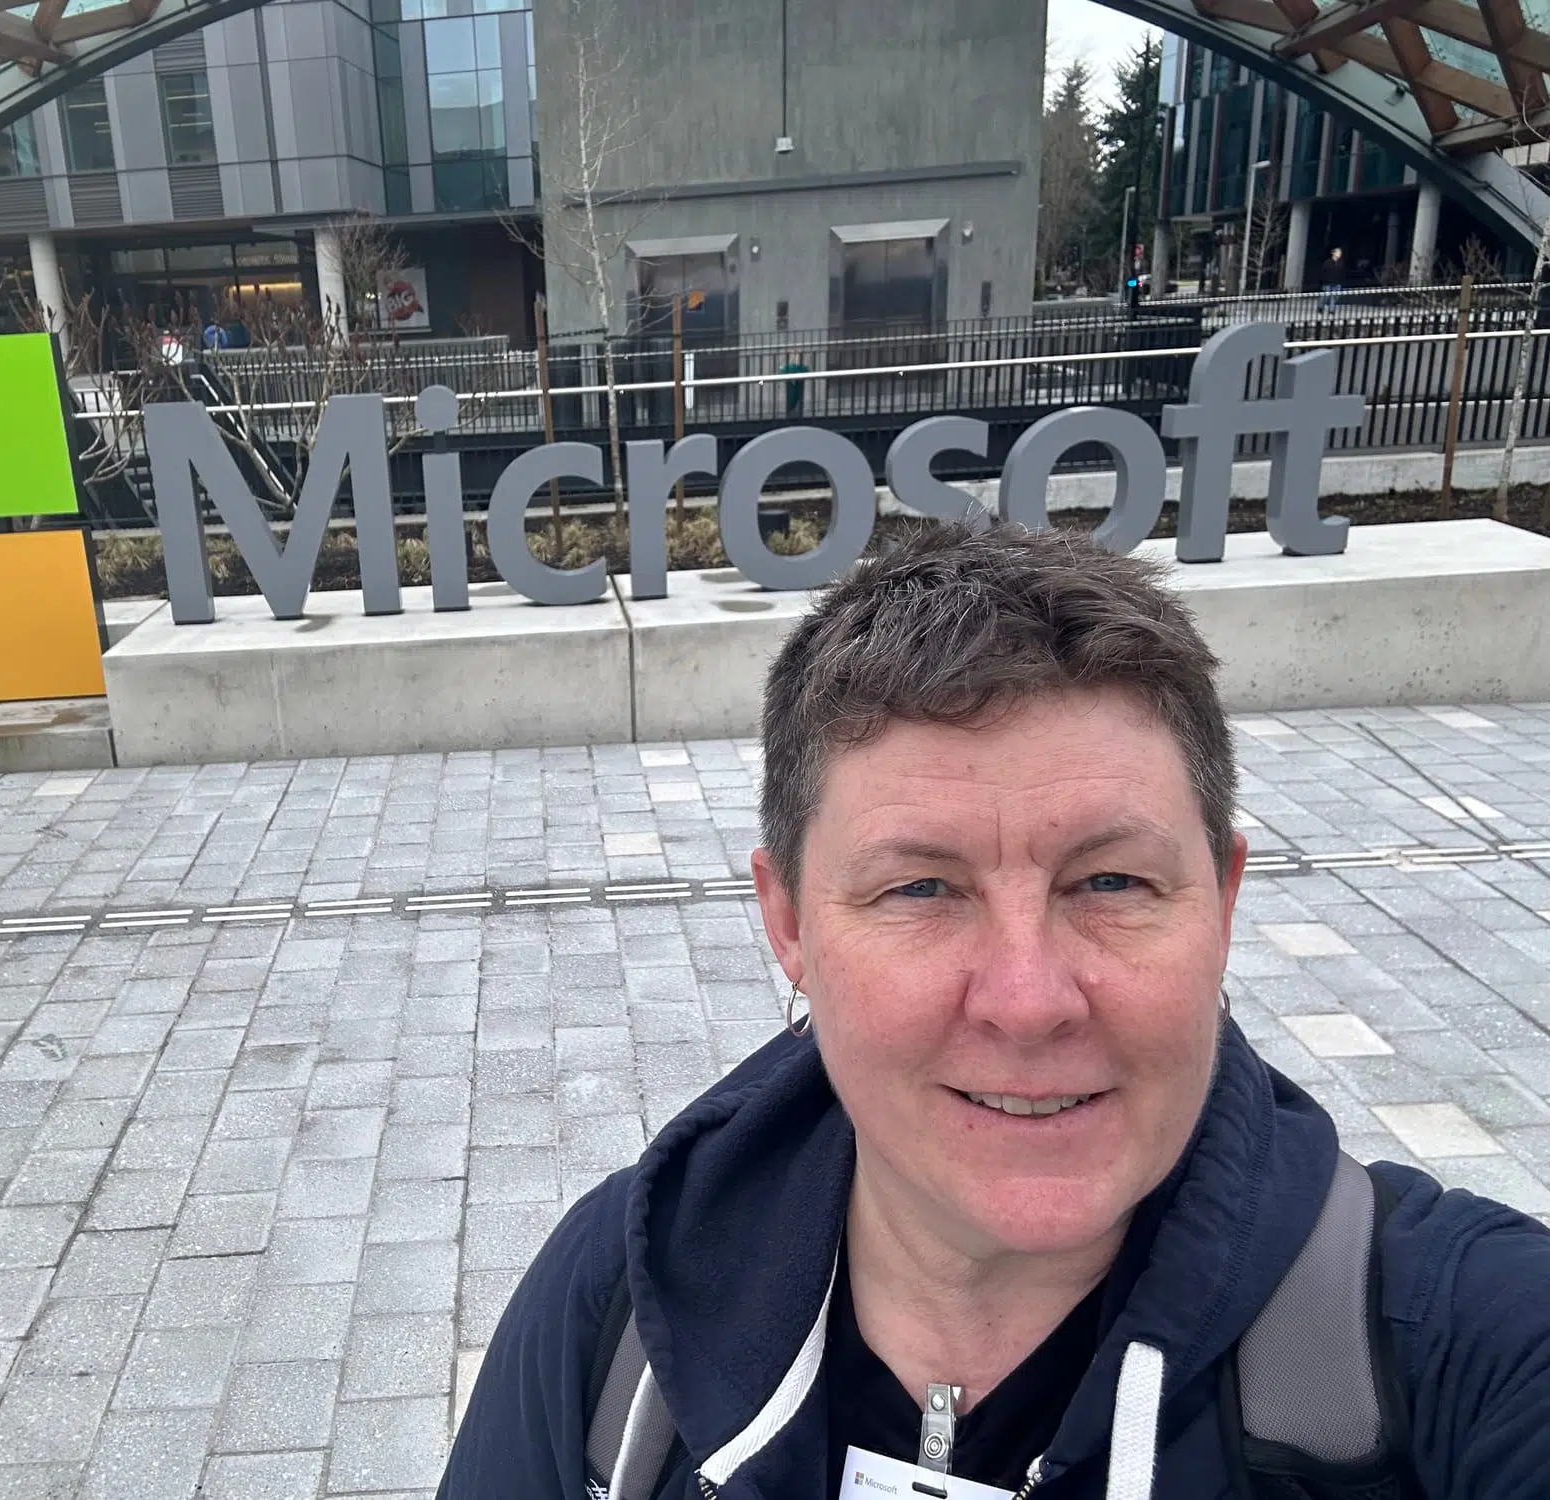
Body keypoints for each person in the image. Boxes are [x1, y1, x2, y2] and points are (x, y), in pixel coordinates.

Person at [439, 526, 1550, 1500]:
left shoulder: (1468, 1342)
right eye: (919, 889)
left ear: (1219, 901)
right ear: (788, 925)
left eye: (1110, 883)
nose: (1027, 1002)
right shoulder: (622, 1301)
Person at [1320, 246, 1347, 311]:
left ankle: (1331, 310)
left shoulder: (1341, 263)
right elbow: (1323, 272)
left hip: (1337, 282)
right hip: (1328, 282)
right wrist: (1323, 281)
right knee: (1326, 296)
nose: (1340, 254)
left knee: (1334, 297)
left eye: (1340, 253)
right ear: (1334, 253)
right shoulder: (1327, 262)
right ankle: (1320, 307)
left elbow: (1342, 272)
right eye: (1338, 252)